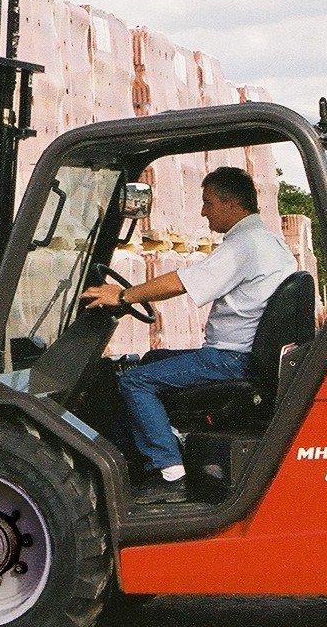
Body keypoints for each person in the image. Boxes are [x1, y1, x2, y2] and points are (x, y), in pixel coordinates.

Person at [80, 166, 295, 504]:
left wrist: (122, 296)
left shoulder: (244, 245)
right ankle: (148, 452)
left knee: (134, 382)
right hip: (240, 354)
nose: (203, 211)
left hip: (230, 359)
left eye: (208, 203)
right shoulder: (268, 241)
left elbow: (181, 283)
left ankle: (169, 471)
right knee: (151, 360)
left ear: (230, 203)